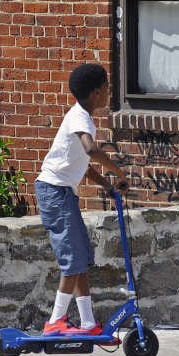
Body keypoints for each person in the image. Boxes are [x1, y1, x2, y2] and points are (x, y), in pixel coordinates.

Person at [35, 63, 128, 336]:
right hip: (55, 191)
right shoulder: (80, 118)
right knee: (73, 257)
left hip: (62, 192)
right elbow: (91, 149)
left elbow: (84, 165)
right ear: (97, 91)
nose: (109, 91)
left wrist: (108, 186)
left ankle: (87, 323)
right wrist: (119, 172)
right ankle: (55, 320)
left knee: (83, 258)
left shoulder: (83, 117)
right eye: (107, 87)